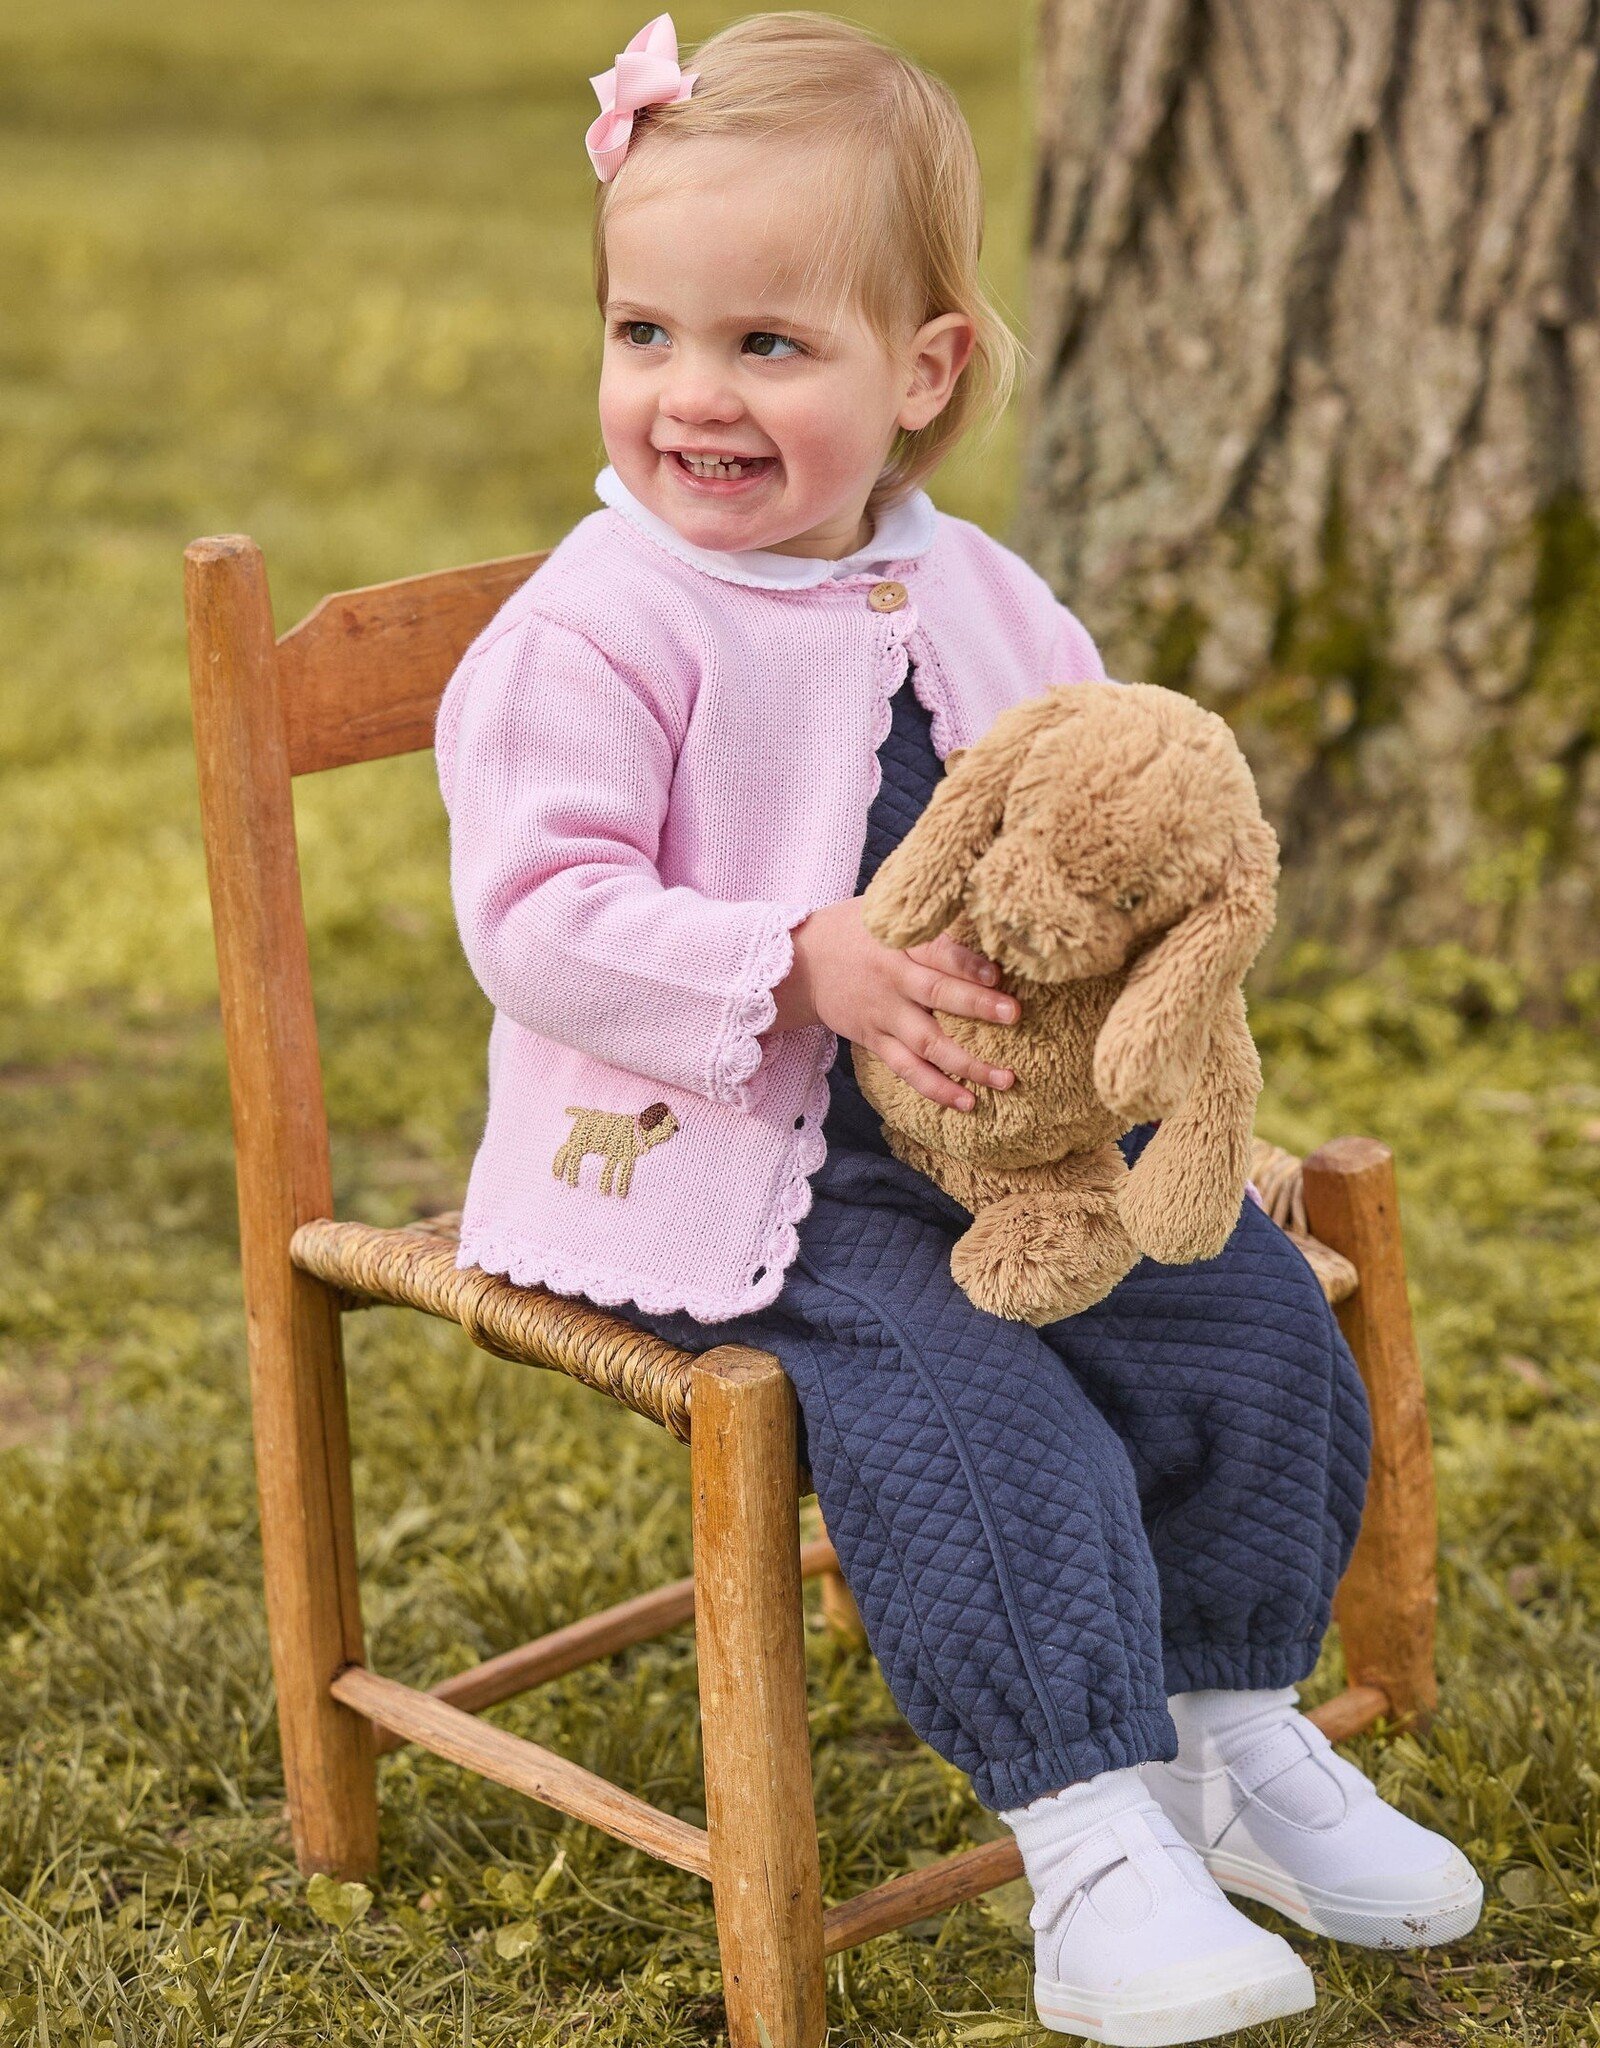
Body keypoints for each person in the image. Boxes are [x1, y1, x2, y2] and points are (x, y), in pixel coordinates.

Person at [434, 13, 1483, 2040]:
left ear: (920, 371)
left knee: (1246, 1314)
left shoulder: (979, 591)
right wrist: (793, 960)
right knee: (979, 1420)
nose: (689, 394)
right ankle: (1086, 1846)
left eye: (765, 344)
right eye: (644, 331)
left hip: (1009, 1140)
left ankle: (1228, 1735)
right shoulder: (592, 624)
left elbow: (1074, 818)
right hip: (742, 1176)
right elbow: (538, 923)